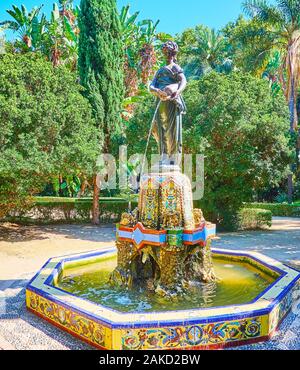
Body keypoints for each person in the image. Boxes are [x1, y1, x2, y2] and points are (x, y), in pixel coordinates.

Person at [149, 41, 187, 166]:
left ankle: (171, 159)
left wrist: (177, 92)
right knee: (160, 129)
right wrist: (157, 90)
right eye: (165, 53)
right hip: (160, 102)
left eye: (169, 53)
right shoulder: (160, 71)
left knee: (171, 130)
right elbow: (151, 86)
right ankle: (164, 156)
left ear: (173, 54)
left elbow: (183, 81)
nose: (167, 55)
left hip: (171, 102)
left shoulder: (175, 67)